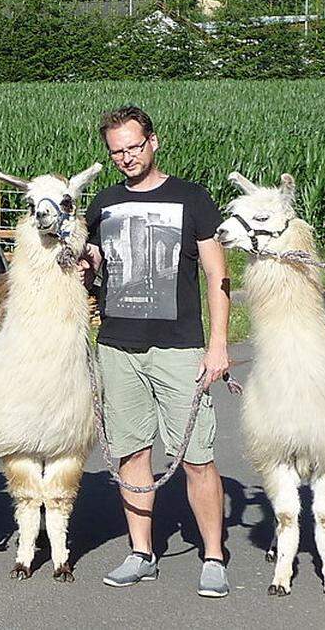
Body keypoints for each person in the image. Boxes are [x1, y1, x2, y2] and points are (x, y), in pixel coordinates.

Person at [81, 105, 232, 595]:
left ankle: (213, 556)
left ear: (153, 142)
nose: (126, 157)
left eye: (134, 146)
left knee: (196, 456)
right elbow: (96, 267)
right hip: (118, 347)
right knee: (130, 452)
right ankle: (141, 551)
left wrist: (218, 344)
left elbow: (216, 275)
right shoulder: (102, 204)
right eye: (117, 151)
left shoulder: (192, 197)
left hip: (180, 348)